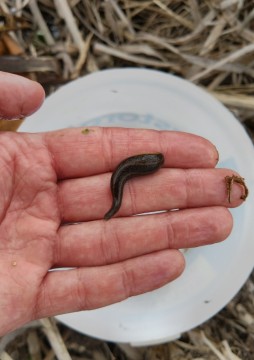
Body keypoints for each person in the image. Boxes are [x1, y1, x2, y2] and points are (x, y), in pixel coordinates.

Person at [0, 71, 245, 337]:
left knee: (123, 182)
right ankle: (113, 208)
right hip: (124, 173)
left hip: (126, 172)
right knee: (121, 184)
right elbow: (132, 170)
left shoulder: (143, 165)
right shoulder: (135, 169)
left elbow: (139, 167)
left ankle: (113, 208)